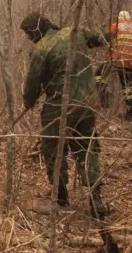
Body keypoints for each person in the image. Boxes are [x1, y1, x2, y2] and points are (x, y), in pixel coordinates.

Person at [20, 12, 111, 219]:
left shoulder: (42, 50)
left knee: (52, 148)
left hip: (58, 107)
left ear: (36, 29)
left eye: (27, 33)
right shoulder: (75, 33)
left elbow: (33, 83)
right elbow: (100, 38)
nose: (27, 38)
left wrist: (29, 101)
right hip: (87, 104)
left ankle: (60, 196)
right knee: (87, 148)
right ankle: (96, 198)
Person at [95, 10, 132, 122]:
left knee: (98, 75)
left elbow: (103, 39)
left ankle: (105, 100)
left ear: (119, 18)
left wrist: (107, 48)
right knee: (128, 89)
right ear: (129, 18)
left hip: (116, 59)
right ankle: (131, 115)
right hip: (130, 63)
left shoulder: (117, 25)